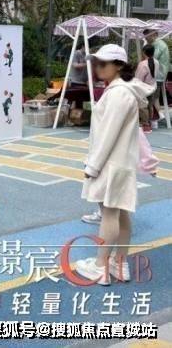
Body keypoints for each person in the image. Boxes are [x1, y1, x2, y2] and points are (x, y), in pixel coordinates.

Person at [74, 44, 154, 284]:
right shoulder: (124, 91)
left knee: (109, 215)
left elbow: (107, 134)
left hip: (110, 164)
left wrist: (92, 166)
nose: (98, 67)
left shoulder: (118, 93)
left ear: (118, 65)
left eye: (103, 63)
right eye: (97, 63)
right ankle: (120, 264)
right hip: (120, 163)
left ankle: (100, 267)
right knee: (122, 215)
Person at [144, 29, 169, 123]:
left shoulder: (158, 45)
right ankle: (159, 115)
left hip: (157, 75)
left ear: (153, 35)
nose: (146, 39)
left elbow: (152, 58)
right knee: (155, 98)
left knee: (150, 98)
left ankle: (149, 120)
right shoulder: (161, 44)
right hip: (160, 75)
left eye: (147, 37)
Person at [135, 44, 160, 130]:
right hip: (152, 87)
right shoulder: (156, 62)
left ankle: (145, 124)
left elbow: (138, 79)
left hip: (143, 88)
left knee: (142, 106)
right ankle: (149, 123)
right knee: (150, 105)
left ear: (144, 52)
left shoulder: (142, 64)